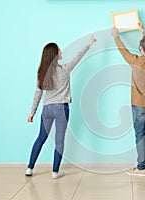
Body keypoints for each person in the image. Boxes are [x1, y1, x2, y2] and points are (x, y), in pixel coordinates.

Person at [25, 36, 97, 179]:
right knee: (59, 140)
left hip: (46, 109)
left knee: (41, 138)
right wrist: (88, 44)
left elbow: (37, 93)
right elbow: (78, 57)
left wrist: (32, 112)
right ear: (55, 54)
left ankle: (29, 168)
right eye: (59, 49)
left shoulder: (41, 73)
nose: (61, 51)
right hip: (61, 109)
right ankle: (55, 172)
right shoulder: (64, 69)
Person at [111, 22, 145, 176]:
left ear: (141, 49)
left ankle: (141, 168)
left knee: (140, 134)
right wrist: (143, 31)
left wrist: (116, 36)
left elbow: (123, 51)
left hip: (138, 104)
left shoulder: (136, 61)